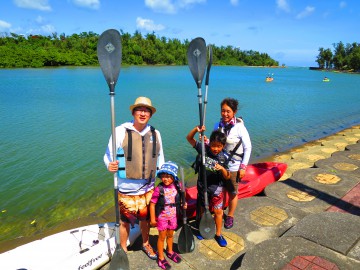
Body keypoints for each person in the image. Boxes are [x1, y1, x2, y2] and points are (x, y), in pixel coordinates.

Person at [104, 96, 165, 260]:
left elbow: (160, 159)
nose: (143, 113)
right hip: (125, 189)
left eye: (147, 111)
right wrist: (109, 165)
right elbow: (108, 155)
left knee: (145, 220)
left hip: (147, 188)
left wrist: (165, 181)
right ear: (133, 112)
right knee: (124, 222)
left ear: (150, 114)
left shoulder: (155, 133)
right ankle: (123, 249)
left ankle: (146, 244)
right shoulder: (119, 131)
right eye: (140, 110)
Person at [186, 126, 230, 247]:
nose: (215, 149)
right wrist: (196, 130)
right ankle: (201, 228)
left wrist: (221, 169)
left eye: (219, 146)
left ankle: (219, 234)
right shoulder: (204, 149)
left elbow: (227, 176)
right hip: (202, 187)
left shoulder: (223, 158)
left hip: (217, 189)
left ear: (223, 146)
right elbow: (189, 138)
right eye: (213, 145)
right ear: (209, 143)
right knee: (201, 210)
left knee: (218, 212)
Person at [214, 97, 252, 229]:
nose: (225, 114)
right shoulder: (218, 125)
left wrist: (243, 167)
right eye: (223, 111)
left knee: (232, 192)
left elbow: (248, 148)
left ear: (234, 112)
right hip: (220, 165)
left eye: (228, 111)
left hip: (235, 166)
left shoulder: (239, 127)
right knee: (220, 190)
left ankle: (230, 215)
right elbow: (214, 144)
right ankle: (219, 211)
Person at [149, 161, 187, 270]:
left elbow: (181, 199)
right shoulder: (159, 189)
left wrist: (184, 204)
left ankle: (170, 251)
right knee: (162, 237)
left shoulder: (177, 186)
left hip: (173, 216)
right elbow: (152, 204)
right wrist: (152, 219)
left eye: (168, 177)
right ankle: (161, 257)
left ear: (174, 177)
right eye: (163, 176)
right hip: (162, 217)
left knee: (170, 235)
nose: (165, 179)